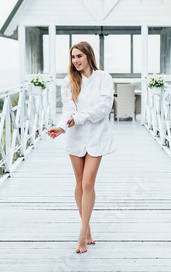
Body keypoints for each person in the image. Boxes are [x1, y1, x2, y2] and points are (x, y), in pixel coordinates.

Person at [46, 41, 116, 254]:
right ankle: (87, 229)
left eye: (79, 56)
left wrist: (78, 118)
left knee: (88, 183)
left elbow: (103, 109)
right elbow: (68, 110)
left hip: (97, 136)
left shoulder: (104, 78)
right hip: (75, 136)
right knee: (79, 183)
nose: (75, 61)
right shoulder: (68, 82)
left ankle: (81, 234)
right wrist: (61, 127)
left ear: (88, 56)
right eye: (73, 57)